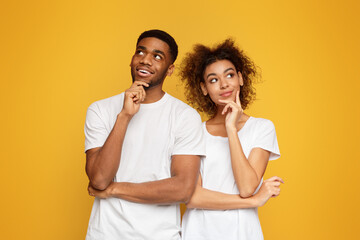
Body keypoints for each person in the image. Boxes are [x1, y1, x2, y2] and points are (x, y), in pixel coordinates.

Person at [84, 29, 205, 240]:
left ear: (170, 69)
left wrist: (114, 190)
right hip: (105, 234)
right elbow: (99, 179)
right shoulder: (100, 109)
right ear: (131, 60)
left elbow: (183, 189)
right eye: (140, 52)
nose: (146, 60)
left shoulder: (185, 116)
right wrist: (124, 116)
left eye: (157, 56)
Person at [179, 39, 283, 240]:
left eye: (229, 75)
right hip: (198, 233)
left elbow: (246, 187)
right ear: (203, 88)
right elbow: (192, 197)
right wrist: (253, 202)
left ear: (241, 78)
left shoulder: (262, 128)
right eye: (213, 79)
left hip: (242, 233)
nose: (224, 84)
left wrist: (231, 129)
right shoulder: (194, 132)